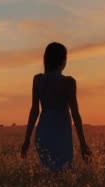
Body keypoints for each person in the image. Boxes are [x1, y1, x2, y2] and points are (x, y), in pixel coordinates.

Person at [21, 42, 91, 171]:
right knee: (64, 171)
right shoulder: (69, 82)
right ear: (62, 60)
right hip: (62, 132)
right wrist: (83, 144)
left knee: (47, 172)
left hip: (44, 131)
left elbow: (34, 111)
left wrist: (26, 140)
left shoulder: (38, 80)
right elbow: (75, 115)